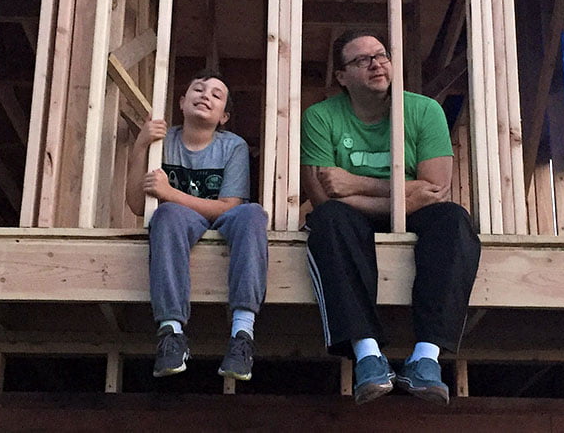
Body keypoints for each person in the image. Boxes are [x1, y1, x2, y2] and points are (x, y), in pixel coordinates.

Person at [300, 30, 480, 405]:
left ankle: (425, 360)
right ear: (342, 77)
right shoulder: (320, 117)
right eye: (361, 60)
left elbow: (436, 190)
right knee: (329, 221)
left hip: (405, 215)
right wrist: (404, 192)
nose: (376, 64)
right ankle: (368, 355)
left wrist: (354, 185)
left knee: (454, 220)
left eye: (381, 55)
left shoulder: (423, 110)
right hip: (349, 220)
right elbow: (322, 197)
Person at [127, 69, 268, 382]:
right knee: (165, 215)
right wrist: (140, 145)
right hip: (181, 221)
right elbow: (138, 205)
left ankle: (242, 334)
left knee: (253, 214)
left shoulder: (233, 147)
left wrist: (170, 193)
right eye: (198, 89)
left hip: (223, 218)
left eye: (216, 95)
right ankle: (171, 333)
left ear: (224, 117)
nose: (206, 95)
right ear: (181, 102)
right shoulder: (164, 142)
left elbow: (228, 208)